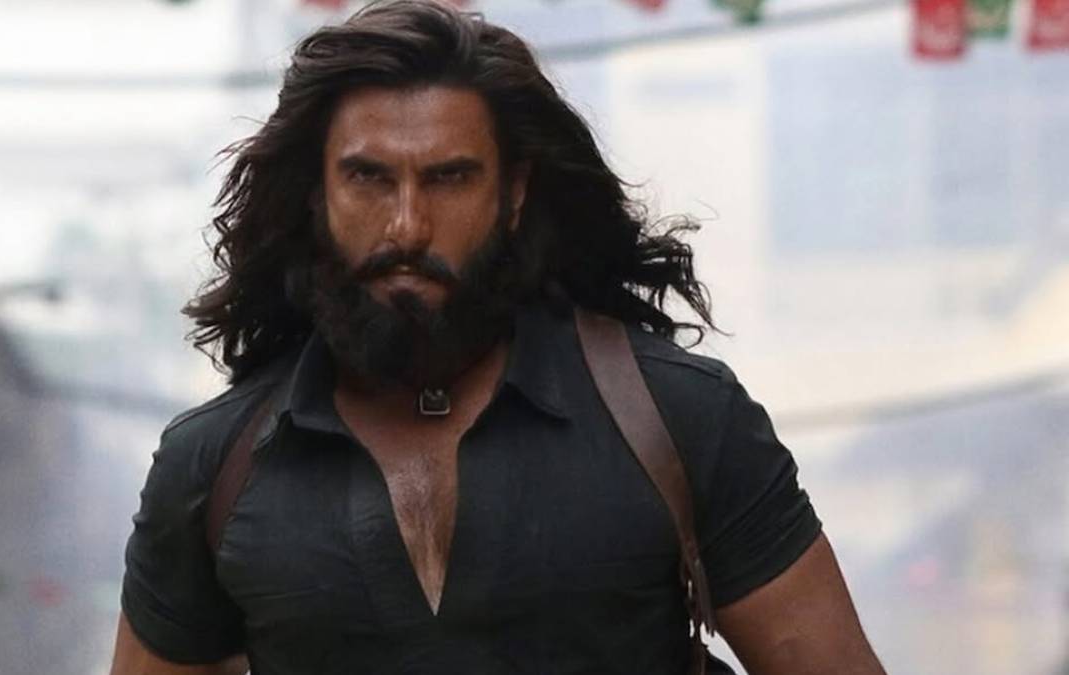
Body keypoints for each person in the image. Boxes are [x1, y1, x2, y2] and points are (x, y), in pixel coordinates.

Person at [110, 1, 887, 673]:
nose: (407, 226)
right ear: (317, 195)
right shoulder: (214, 466)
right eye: (369, 177)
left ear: (513, 194)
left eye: (448, 178)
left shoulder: (677, 418)